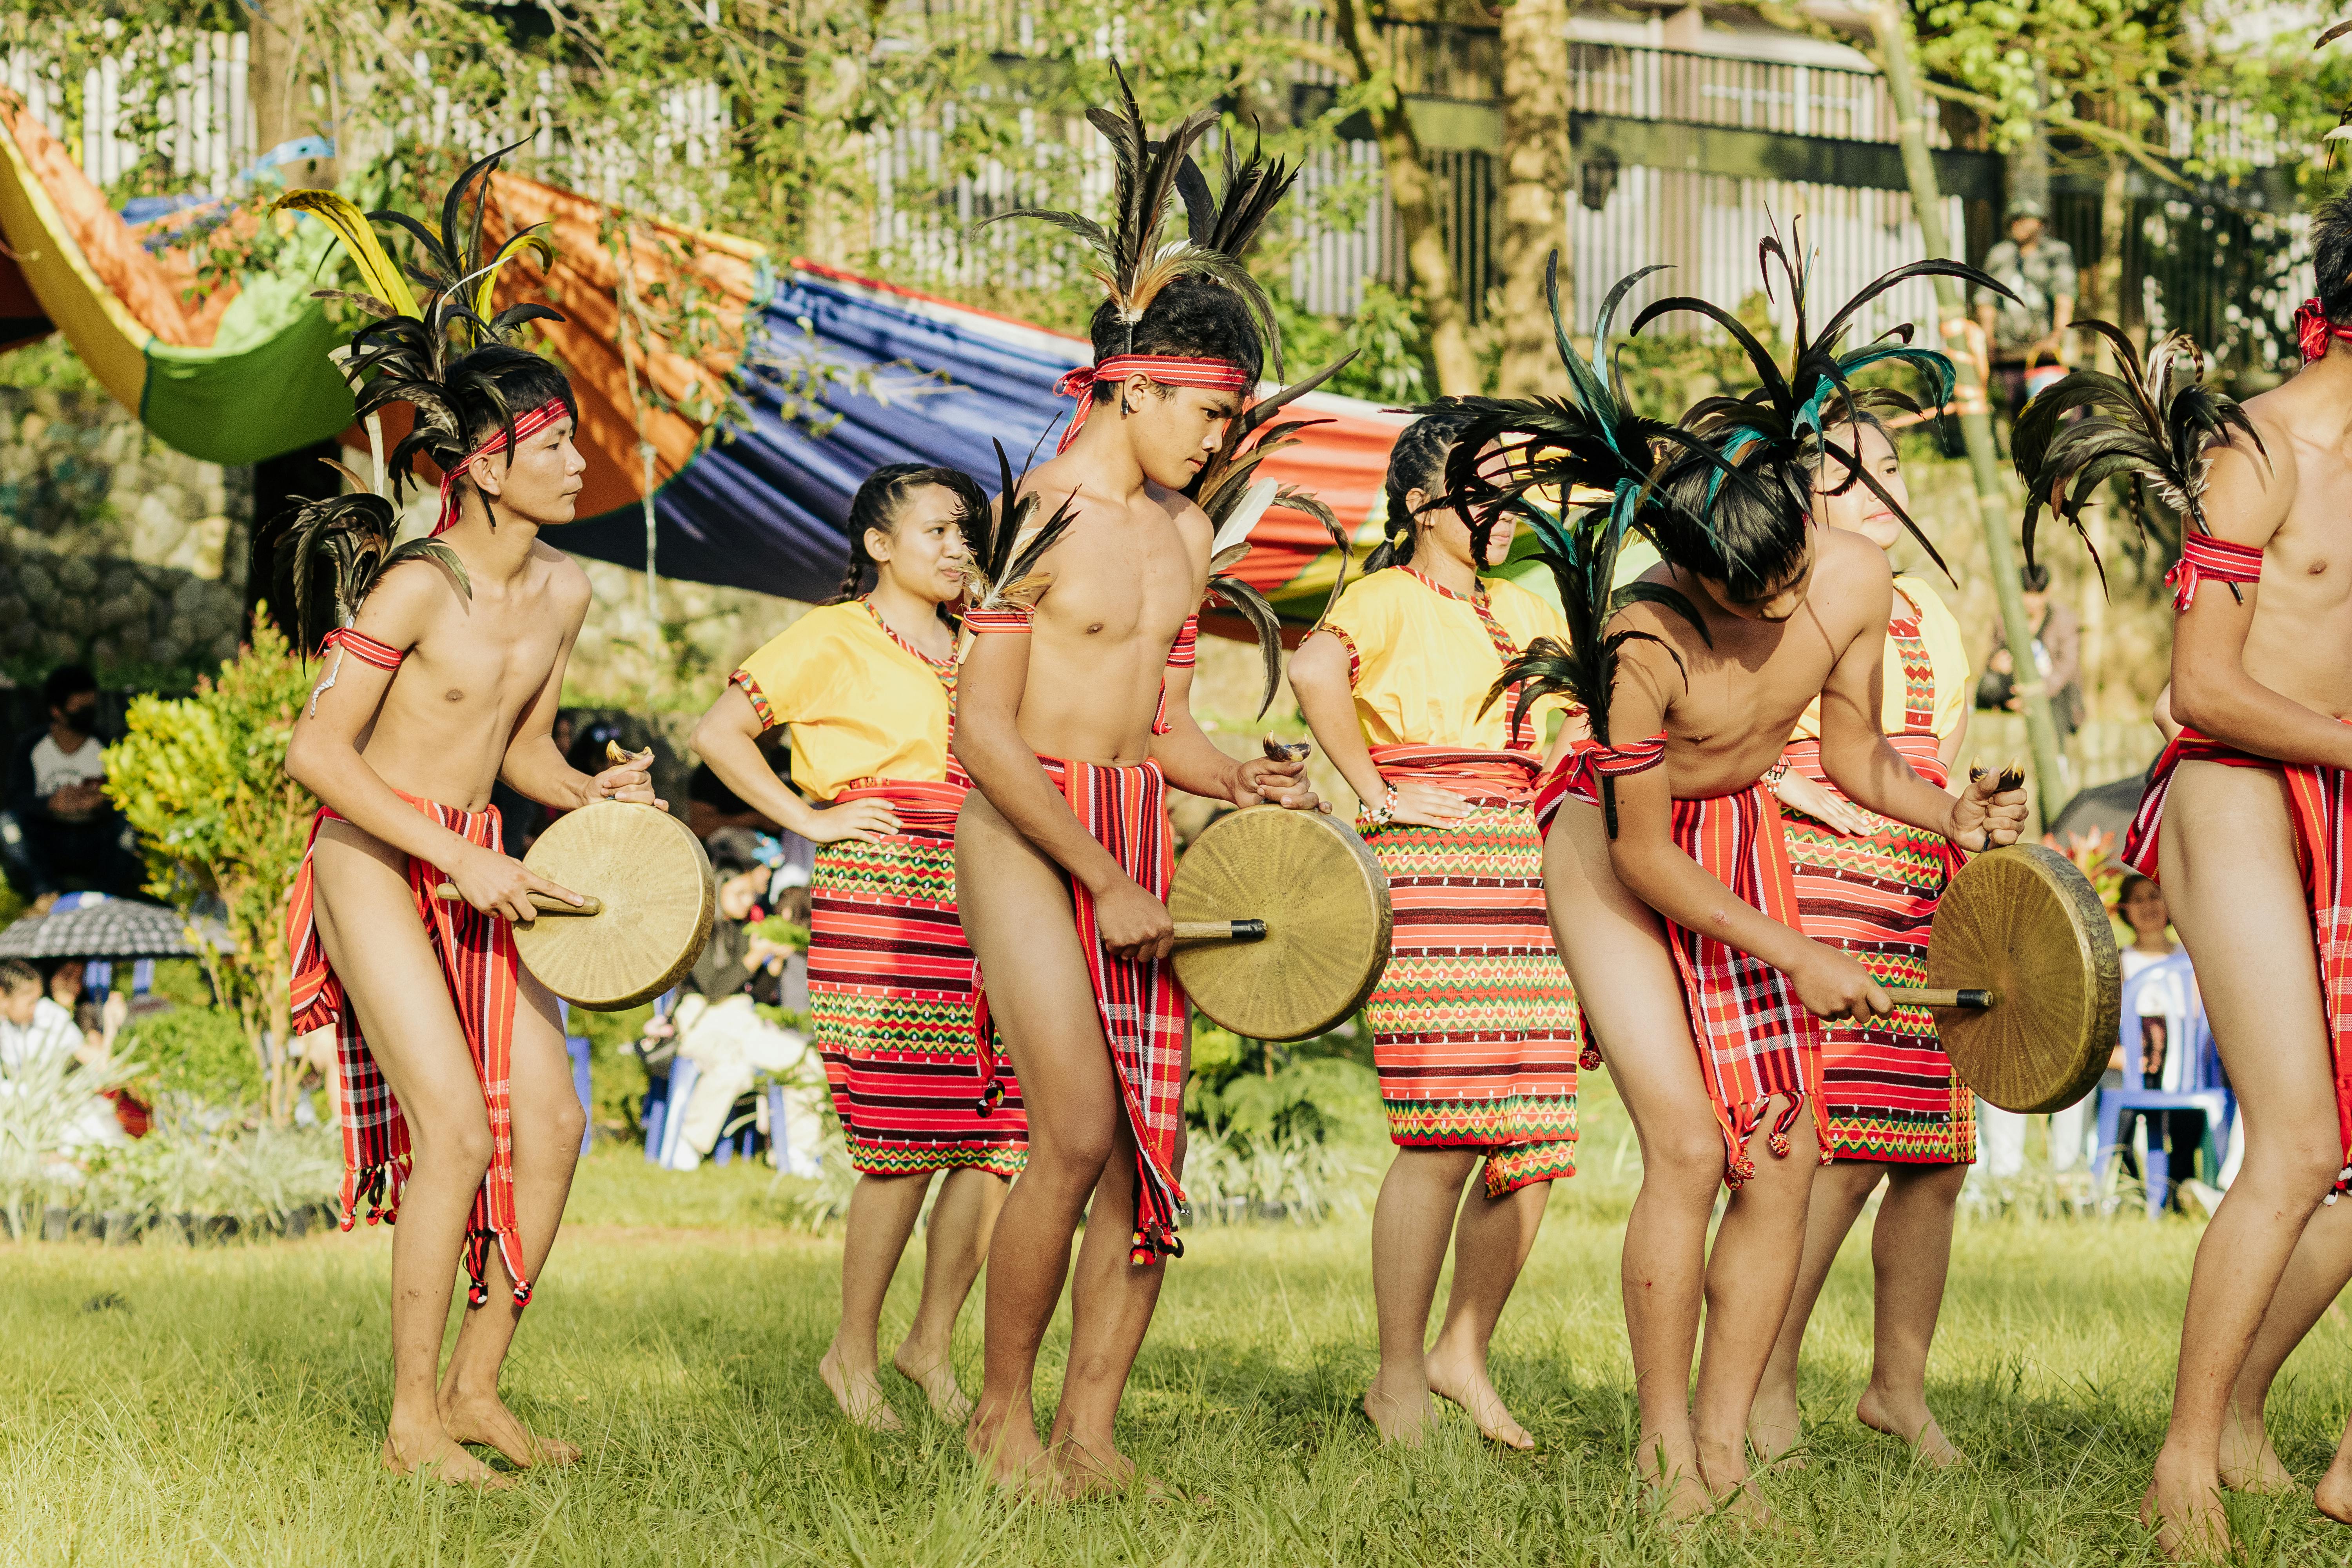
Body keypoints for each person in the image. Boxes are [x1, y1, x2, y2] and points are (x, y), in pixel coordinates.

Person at [1442, 241, 2025, 1521]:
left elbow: (1862, 754)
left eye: (1786, 583)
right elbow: (1643, 850)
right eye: (1739, 596)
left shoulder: (1857, 573)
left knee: (1786, 1149)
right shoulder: (1641, 634)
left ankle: (1724, 1443)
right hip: (1612, 855)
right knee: (1695, 1149)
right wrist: (1800, 951)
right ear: (1686, 566)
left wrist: (1955, 816)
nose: (1771, 612)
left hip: (1737, 841)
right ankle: (1664, 1454)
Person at [271, 152, 659, 1488]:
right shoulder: (416, 586)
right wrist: (452, 856)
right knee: (457, 1126)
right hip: (378, 857)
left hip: (472, 853)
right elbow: (316, 752)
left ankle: (479, 1392)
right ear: (484, 468)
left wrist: (589, 791)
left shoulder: (562, 593)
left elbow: (527, 752)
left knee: (550, 1127)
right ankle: (407, 1425)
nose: (576, 460)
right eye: (551, 446)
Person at [957, 76, 1320, 1496]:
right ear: (1128, 383)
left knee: (1141, 1152)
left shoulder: (1179, 539)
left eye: (1227, 421)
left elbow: (1159, 720)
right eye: (1197, 414)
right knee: (1072, 1126)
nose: (1213, 441)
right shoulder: (1031, 518)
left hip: (1125, 823)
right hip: (1020, 822)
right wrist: (1100, 874)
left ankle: (1089, 1430)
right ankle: (1000, 1419)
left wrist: (1243, 775)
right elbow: (980, 731)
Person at [2018, 189, 2352, 1556]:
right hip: (2235, 789)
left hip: (2340, 776)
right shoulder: (2264, 447)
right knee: (2302, 1146)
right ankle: (2181, 1460)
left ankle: (2287, 1443)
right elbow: (2200, 685)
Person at [691, 463, 1024, 1433]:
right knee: (903, 1141)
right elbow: (720, 732)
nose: (958, 548)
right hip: (885, 895)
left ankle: (930, 1345)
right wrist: (811, 819)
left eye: (967, 533)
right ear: (879, 544)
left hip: (990, 887)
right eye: (936, 531)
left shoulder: (984, 642)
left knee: (1001, 1140)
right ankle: (853, 1352)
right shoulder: (832, 635)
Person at [1287, 409, 1582, 1450]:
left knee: (1537, 1135)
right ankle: (1398, 1374)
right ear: (1422, 503)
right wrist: (1376, 793)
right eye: (1483, 484)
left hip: (1521, 865)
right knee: (1443, 1133)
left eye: (1513, 483)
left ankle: (1465, 1349)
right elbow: (1314, 671)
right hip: (1430, 866)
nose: (1504, 503)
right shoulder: (1384, 597)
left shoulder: (1528, 603)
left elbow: (1576, 723)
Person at [1745, 411, 1975, 1470]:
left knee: (1933, 1159)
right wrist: (1791, 785)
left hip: (1927, 884)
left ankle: (1898, 1386)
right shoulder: (1780, 595)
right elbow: (1727, 732)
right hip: (1825, 885)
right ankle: (1766, 1379)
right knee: (1836, 1153)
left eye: (1887, 465)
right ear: (1800, 502)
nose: (1878, 484)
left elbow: (1938, 750)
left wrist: (1970, 820)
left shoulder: (1932, 606)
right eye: (1846, 473)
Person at [1, 665, 143, 908]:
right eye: (81, 709)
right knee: (7, 825)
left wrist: (101, 804)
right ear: (57, 711)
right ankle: (45, 894)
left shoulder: (104, 746)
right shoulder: (31, 747)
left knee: (130, 827)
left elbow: (125, 797)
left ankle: (102, 898)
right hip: (48, 840)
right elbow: (16, 799)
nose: (90, 715)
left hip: (93, 839)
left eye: (92, 707)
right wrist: (49, 805)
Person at [1973, 195, 2076, 426]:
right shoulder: (2000, 254)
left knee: (2054, 411)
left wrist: (2057, 335)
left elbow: (2065, 295)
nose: (2019, 224)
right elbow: (1986, 298)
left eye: (2026, 219)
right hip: (2009, 348)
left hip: (2045, 349)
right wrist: (1988, 338)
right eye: (2015, 220)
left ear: (2040, 223)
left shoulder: (2056, 252)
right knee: (2015, 413)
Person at [1978, 564, 2082, 735]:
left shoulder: (2064, 621)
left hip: (2051, 692)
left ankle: (2058, 758)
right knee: (1988, 684)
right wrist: (1995, 663)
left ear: (2047, 593)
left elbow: (2067, 668)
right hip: (2014, 686)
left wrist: (2033, 697)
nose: (2032, 601)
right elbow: (1993, 653)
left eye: (2038, 594)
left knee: (2058, 706)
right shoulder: (2005, 618)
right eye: (2027, 593)